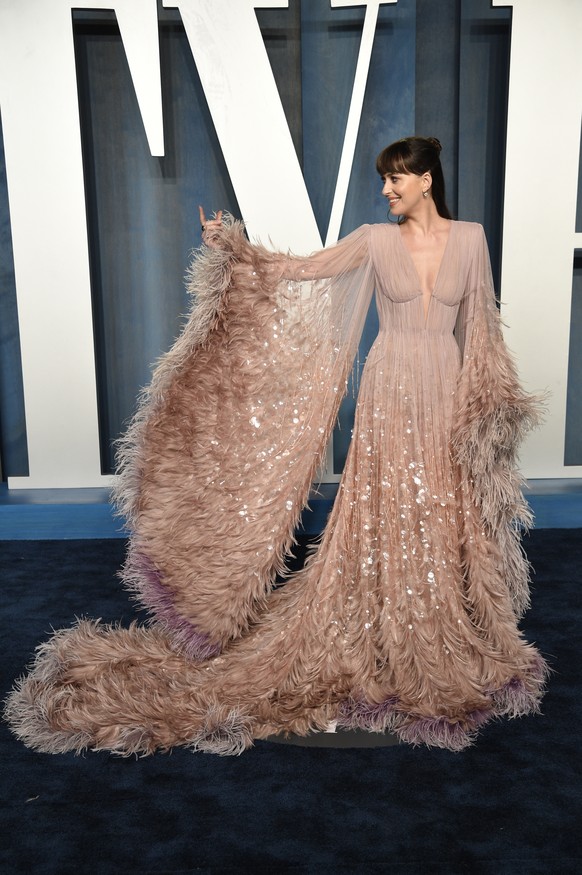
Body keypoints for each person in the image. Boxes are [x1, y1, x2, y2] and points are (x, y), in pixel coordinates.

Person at [6, 137, 547, 755]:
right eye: (384, 180)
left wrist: (486, 402)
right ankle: (382, 618)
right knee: (388, 503)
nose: (387, 190)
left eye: (397, 179)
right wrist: (237, 253)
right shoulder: (373, 240)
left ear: (427, 180)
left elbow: (481, 324)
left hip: (446, 389)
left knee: (441, 508)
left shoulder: (472, 239)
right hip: (389, 388)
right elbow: (304, 271)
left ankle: (436, 616)